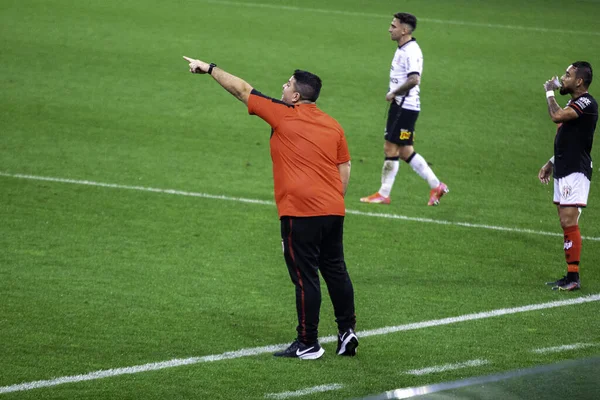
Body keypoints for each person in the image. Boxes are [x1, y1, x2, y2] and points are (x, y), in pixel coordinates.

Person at [182, 57, 358, 359]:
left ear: (297, 96)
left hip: (300, 211)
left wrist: (209, 68)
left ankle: (308, 343)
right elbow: (345, 165)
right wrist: (332, 198)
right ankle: (347, 332)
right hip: (333, 210)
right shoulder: (333, 124)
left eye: (287, 84)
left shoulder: (283, 114)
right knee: (336, 270)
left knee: (305, 276)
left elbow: (242, 90)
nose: (283, 87)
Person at [360, 12, 448, 206]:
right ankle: (436, 185)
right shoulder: (403, 48)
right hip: (401, 106)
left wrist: (394, 93)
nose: (390, 29)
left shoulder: (411, 51)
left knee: (390, 147)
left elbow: (414, 79)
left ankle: (384, 194)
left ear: (404, 30)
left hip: (405, 107)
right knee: (405, 151)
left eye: (393, 26)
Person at [539, 61, 597, 291]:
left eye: (568, 75)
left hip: (575, 170)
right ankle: (571, 275)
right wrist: (551, 162)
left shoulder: (586, 102)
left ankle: (574, 278)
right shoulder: (575, 103)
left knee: (568, 221)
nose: (563, 78)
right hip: (563, 167)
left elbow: (556, 116)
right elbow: (568, 140)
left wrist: (549, 92)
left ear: (579, 81)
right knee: (565, 222)